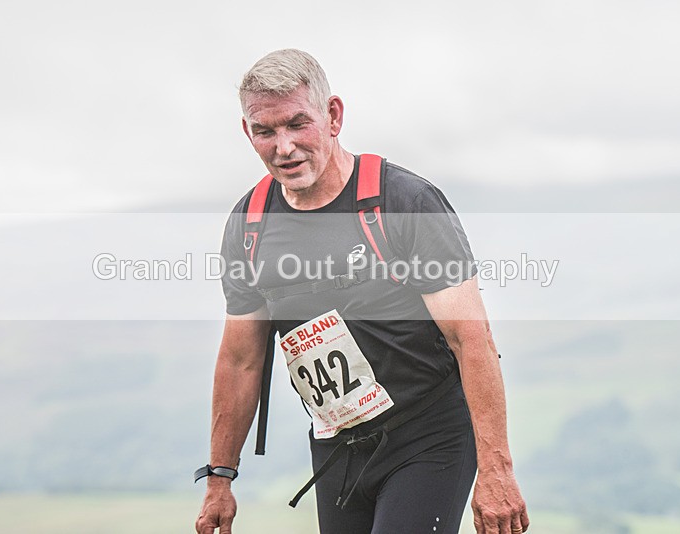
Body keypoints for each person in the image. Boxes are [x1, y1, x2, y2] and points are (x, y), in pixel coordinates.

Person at [195, 49, 529, 534]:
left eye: (297, 124)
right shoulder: (249, 225)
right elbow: (241, 360)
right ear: (248, 133)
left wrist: (496, 470)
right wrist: (220, 477)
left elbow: (470, 340)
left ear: (332, 116)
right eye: (266, 132)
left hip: (428, 434)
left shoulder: (404, 202)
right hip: (338, 445)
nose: (283, 147)